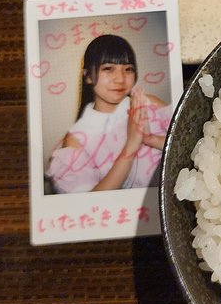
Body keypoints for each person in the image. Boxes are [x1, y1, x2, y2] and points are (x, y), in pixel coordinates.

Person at [45, 34, 170, 193]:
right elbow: (90, 201)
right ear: (88, 76)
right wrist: (131, 146)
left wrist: (150, 139)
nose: (120, 78)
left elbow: (186, 143)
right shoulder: (77, 138)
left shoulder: (149, 103)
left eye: (128, 69)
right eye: (108, 69)